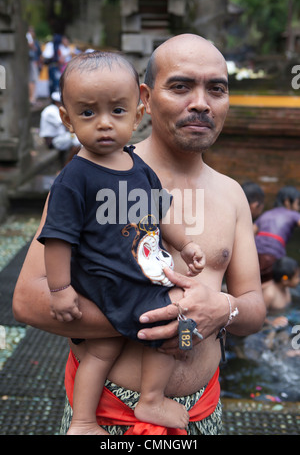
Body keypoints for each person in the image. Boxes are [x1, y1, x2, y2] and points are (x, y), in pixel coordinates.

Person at [13, 33, 266, 436]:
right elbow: (28, 300)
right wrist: (158, 316)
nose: (201, 102)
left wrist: (221, 310)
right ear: (144, 99)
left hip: (201, 412)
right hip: (107, 414)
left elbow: (253, 306)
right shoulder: (93, 175)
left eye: (216, 88)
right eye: (181, 86)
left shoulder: (232, 194)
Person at [37, 50, 205, 435]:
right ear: (66, 119)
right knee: (181, 324)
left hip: (135, 274)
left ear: (138, 112)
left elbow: (160, 213)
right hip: (110, 280)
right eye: (87, 113)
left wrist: (186, 245)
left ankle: (82, 421)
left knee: (101, 350)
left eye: (116, 111)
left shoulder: (139, 167)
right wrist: (60, 289)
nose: (104, 124)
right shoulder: (74, 179)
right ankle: (151, 399)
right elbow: (57, 238)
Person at [254, 186, 300, 283]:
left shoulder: (266, 214)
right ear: (287, 201)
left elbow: (252, 230)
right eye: (298, 203)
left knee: (257, 280)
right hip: (273, 255)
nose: (298, 208)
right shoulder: (293, 214)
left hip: (255, 253)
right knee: (275, 283)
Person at [39, 91, 81, 164]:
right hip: (52, 141)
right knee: (77, 141)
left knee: (77, 140)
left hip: (59, 137)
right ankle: (68, 164)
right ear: (56, 102)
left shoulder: (56, 109)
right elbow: (66, 124)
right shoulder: (50, 110)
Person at [26, 26, 42, 105]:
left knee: (33, 80)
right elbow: (31, 45)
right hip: (31, 61)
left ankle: (32, 98)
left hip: (32, 61)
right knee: (32, 80)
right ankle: (32, 98)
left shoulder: (33, 39)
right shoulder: (28, 37)